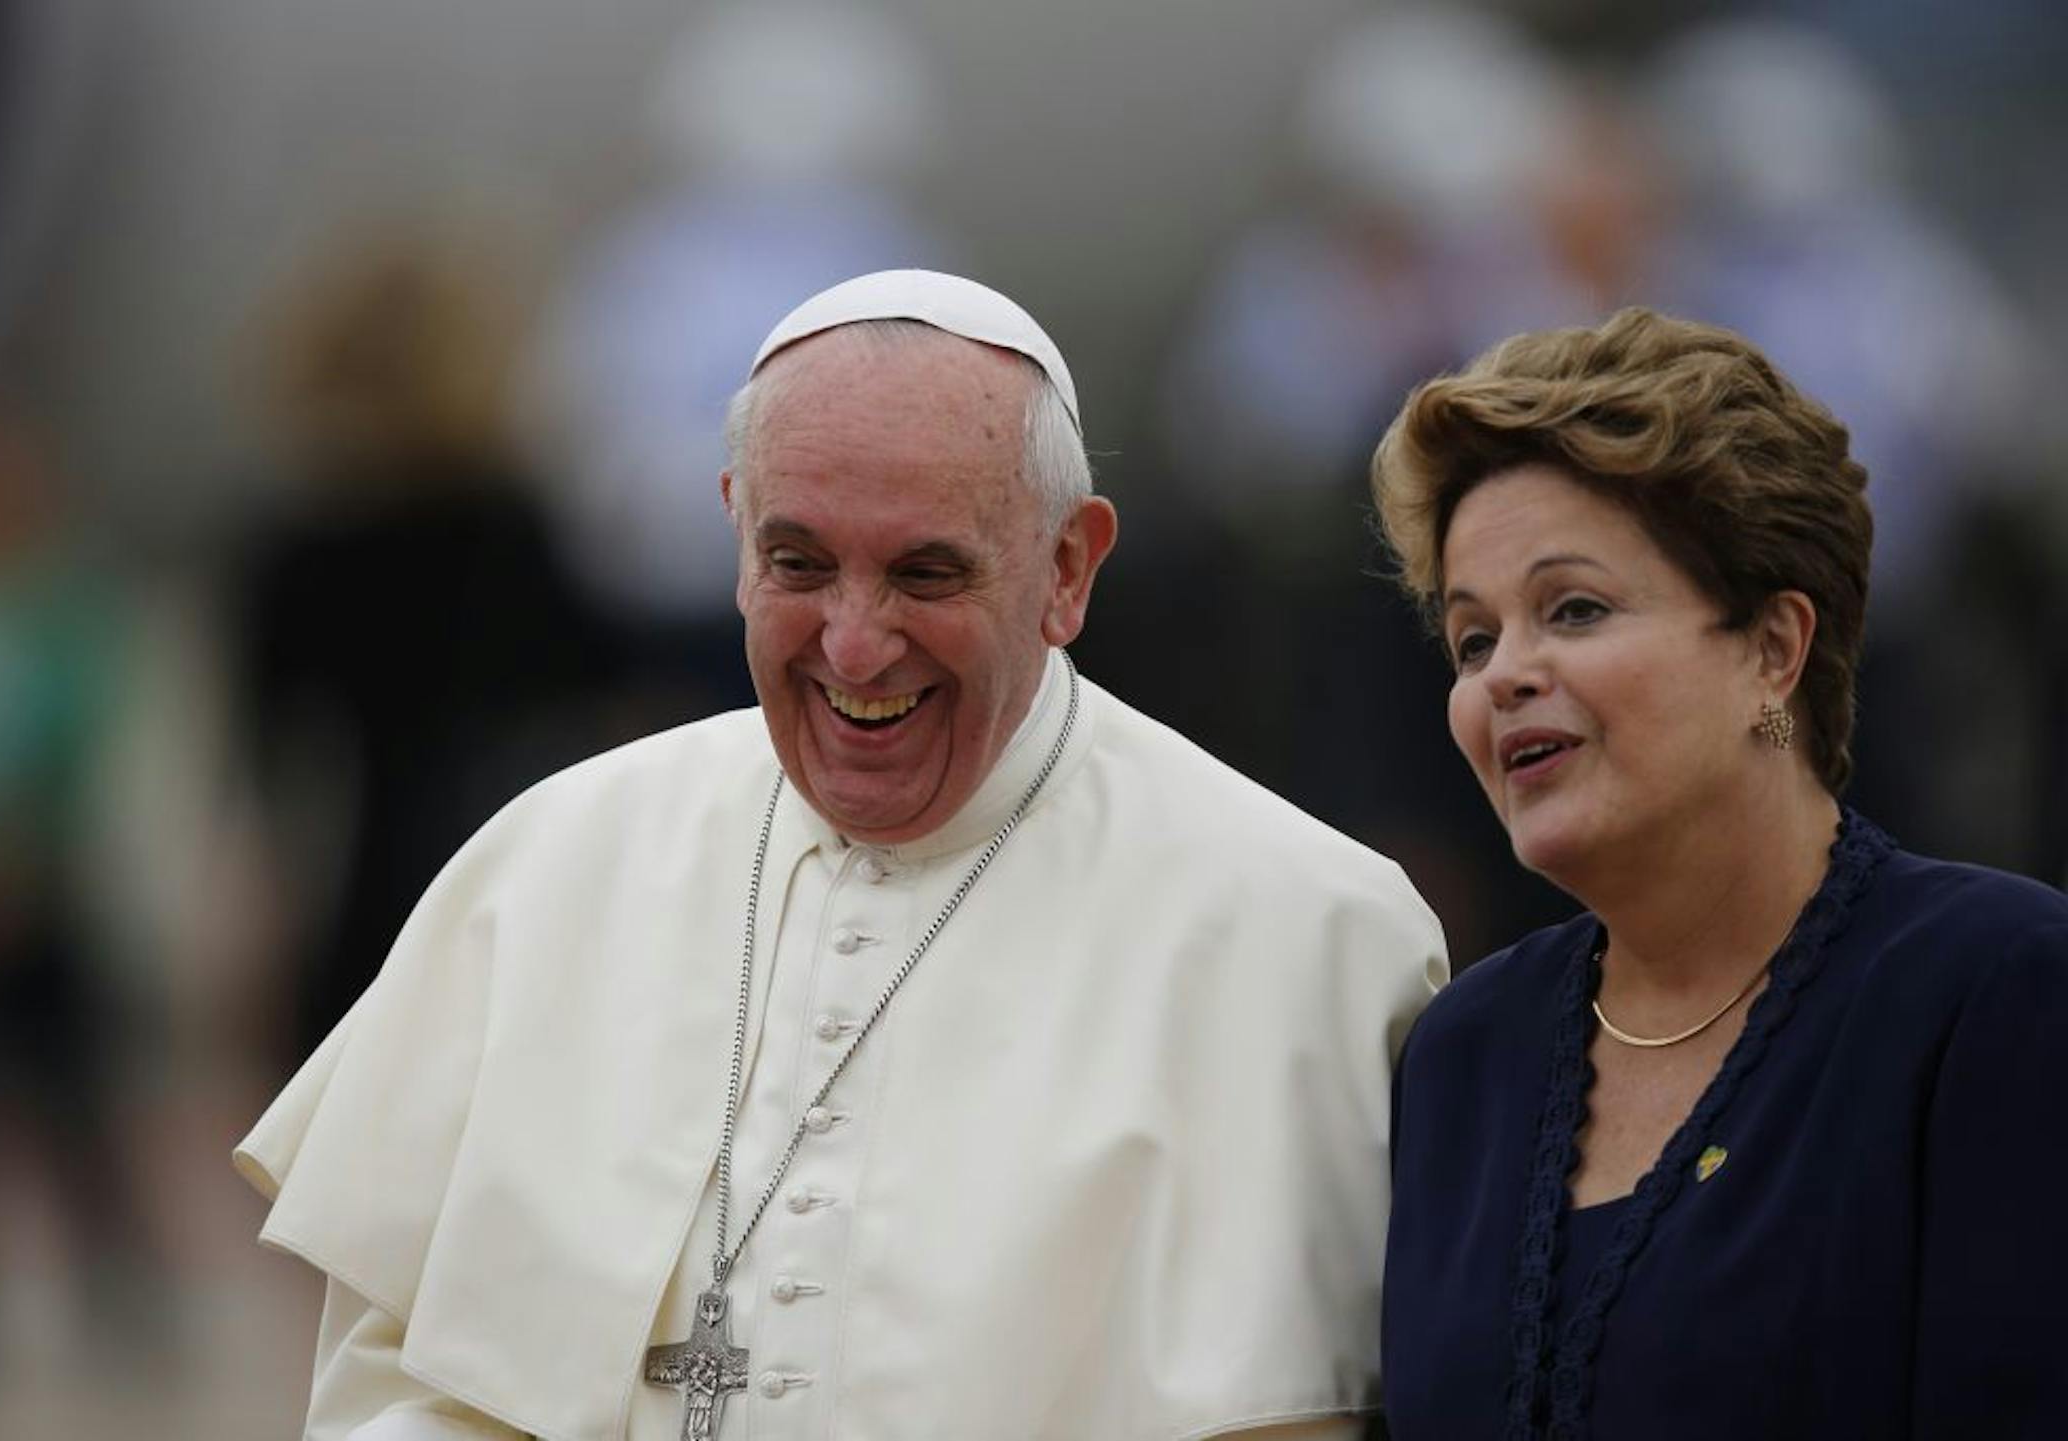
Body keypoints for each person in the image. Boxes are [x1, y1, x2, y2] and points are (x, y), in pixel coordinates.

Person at [236, 269, 1446, 1440]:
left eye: (927, 572)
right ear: (733, 531)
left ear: (1068, 568)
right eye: (799, 563)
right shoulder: (551, 863)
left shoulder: (1307, 930)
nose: (856, 646)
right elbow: (393, 1384)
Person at [1369, 306, 2068, 1438]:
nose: (1505, 677)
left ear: (1773, 650)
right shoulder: (1464, 1050)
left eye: (1575, 609)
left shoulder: (1993, 990)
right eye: (1474, 639)